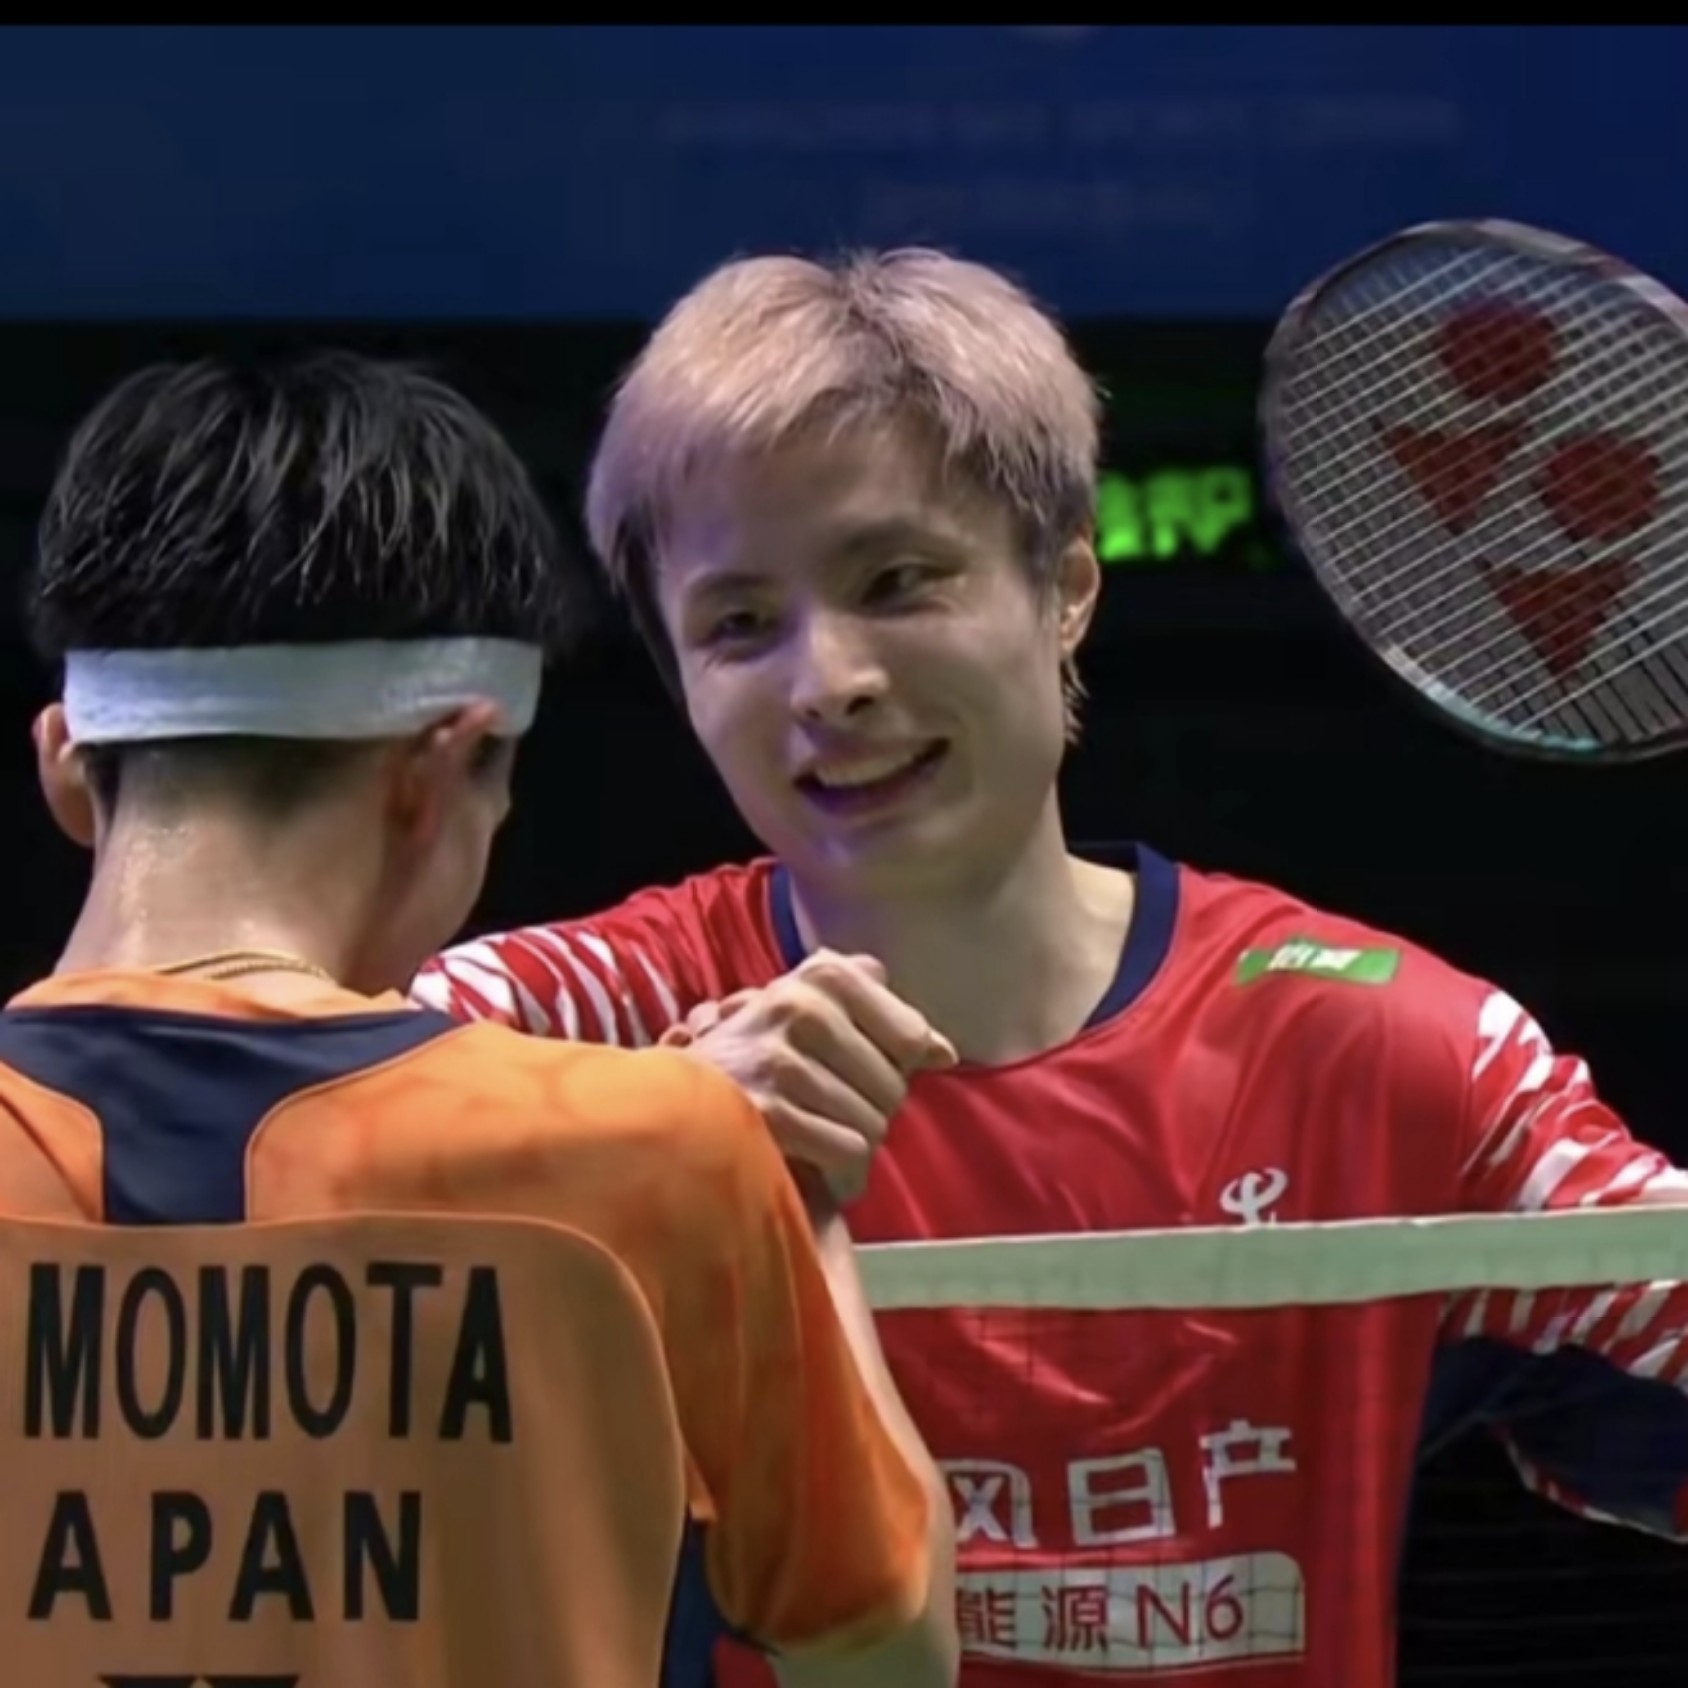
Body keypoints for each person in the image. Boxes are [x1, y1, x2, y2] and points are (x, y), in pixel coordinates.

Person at [412, 250, 1688, 1687]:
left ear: (1065, 586)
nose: (828, 682)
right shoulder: (568, 1027)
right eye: (740, 625)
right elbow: (262, 1172)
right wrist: (642, 1149)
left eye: (899, 581)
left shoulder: (1385, 1056)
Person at [1, 351, 959, 1688]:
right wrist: (784, 1186)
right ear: (440, 769)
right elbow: (888, 1657)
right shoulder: (657, 1155)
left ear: (66, 765)